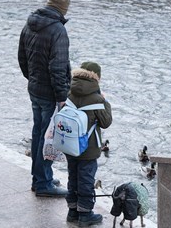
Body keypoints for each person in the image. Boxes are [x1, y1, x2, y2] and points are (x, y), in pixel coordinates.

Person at [18, 0, 71, 197]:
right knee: (48, 137)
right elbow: (58, 67)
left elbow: (21, 57)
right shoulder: (58, 30)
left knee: (38, 132)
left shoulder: (29, 24)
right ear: (62, 11)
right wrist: (62, 96)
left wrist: (32, 79)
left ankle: (39, 177)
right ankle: (43, 184)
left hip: (34, 88)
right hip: (50, 93)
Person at [65, 61, 112, 226]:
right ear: (96, 77)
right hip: (88, 147)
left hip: (69, 145)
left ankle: (72, 211)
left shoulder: (69, 92)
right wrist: (105, 101)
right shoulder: (96, 98)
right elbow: (106, 122)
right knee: (86, 179)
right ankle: (85, 215)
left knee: (73, 176)